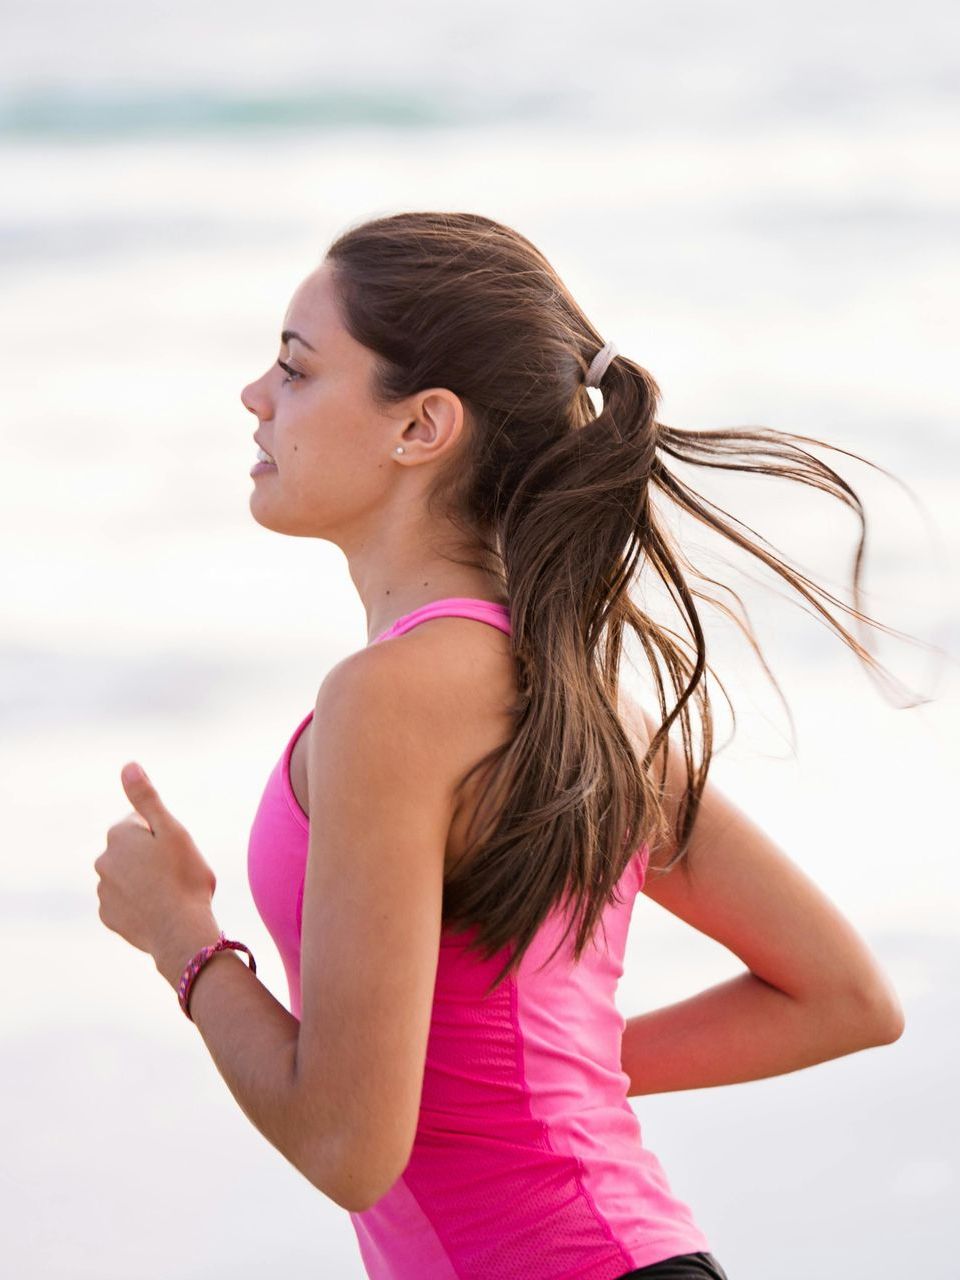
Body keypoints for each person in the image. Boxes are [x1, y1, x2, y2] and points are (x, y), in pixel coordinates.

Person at [165, 210, 916, 1279]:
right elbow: (843, 996)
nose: (255, 395)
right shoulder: (569, 693)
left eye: (296, 367)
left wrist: (181, 939)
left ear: (422, 425)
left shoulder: (389, 700)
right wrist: (539, 1081)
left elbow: (345, 1147)